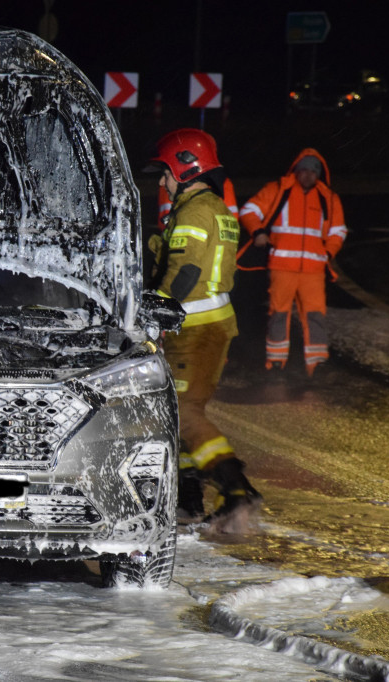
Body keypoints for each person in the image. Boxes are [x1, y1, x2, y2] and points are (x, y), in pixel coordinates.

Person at [143, 128, 262, 522]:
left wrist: (156, 310)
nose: (162, 181)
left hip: (196, 328)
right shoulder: (214, 209)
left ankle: (236, 491)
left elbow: (186, 270)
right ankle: (187, 501)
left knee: (184, 412)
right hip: (207, 326)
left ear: (185, 167)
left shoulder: (195, 211)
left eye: (165, 173)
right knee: (176, 413)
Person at [238, 149, 348, 376]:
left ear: (319, 174)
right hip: (282, 267)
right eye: (304, 169)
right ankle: (276, 362)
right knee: (279, 313)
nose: (308, 175)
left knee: (315, 315)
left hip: (314, 270)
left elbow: (339, 231)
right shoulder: (278, 190)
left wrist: (327, 253)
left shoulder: (329, 198)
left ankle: (317, 363)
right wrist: (257, 232)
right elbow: (248, 210)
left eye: (313, 171)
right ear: (297, 170)